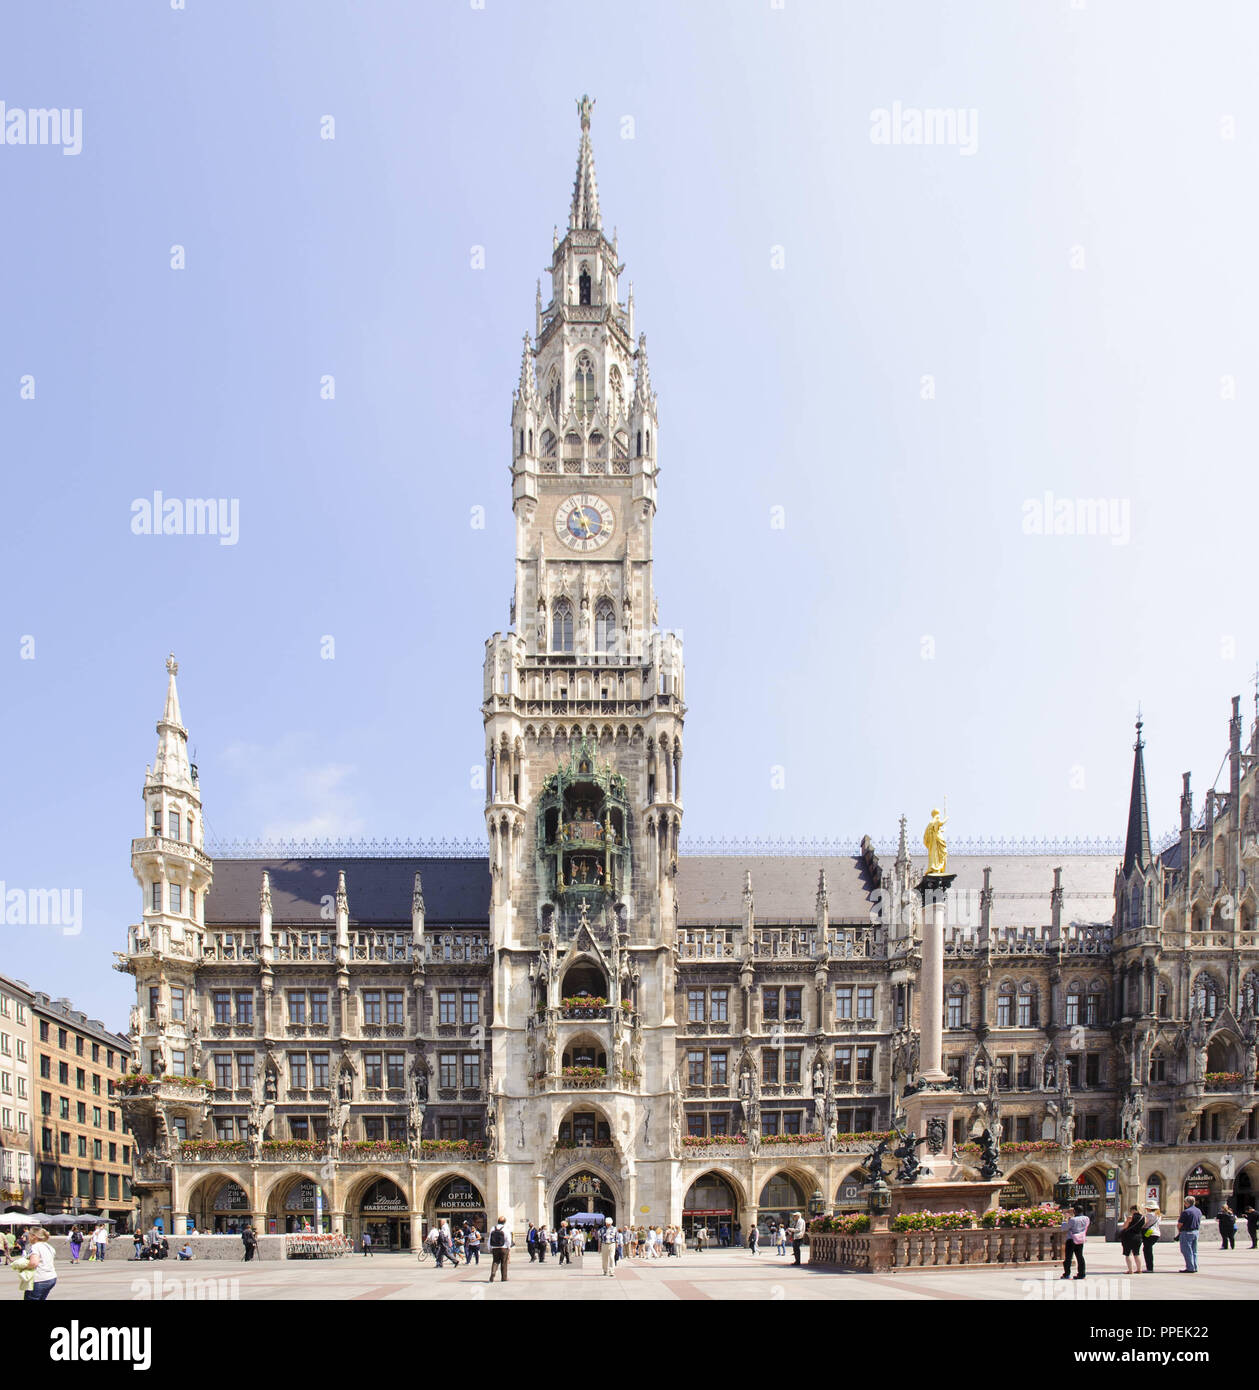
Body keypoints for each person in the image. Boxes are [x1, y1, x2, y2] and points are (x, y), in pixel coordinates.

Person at [20, 1226, 57, 1300]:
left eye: (29, 1235)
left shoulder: (35, 1247)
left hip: (39, 1278)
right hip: (51, 1277)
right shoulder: (48, 1246)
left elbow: (34, 1263)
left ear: (34, 1236)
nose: (28, 1237)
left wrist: (24, 1267)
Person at [1060, 1202, 1089, 1280]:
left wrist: (1065, 1219)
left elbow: (1065, 1227)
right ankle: (1082, 1274)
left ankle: (1067, 1274)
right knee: (1080, 1257)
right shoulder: (1086, 1218)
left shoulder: (1073, 1220)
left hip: (1071, 1239)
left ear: (1075, 1211)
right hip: (1080, 1239)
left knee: (1068, 1257)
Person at [1178, 1196, 1202, 1273]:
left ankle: (1190, 1267)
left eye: (1185, 1202)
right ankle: (1194, 1266)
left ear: (1187, 1203)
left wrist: (1179, 1231)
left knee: (1186, 1250)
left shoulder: (1186, 1212)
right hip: (1196, 1232)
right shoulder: (1198, 1211)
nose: (1184, 1204)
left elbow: (1180, 1224)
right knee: (1194, 1251)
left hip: (1186, 1232)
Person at [1120, 1205, 1144, 1274]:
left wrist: (1127, 1221)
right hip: (1138, 1237)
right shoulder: (1143, 1217)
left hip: (1129, 1237)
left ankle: (1130, 1270)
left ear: (1133, 1210)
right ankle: (1139, 1269)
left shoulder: (1130, 1217)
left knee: (1128, 1254)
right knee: (1137, 1253)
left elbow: (1125, 1227)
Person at [488, 1217, 511, 1282]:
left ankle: (493, 1272)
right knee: (504, 1263)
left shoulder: (493, 1228)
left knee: (495, 1261)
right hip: (503, 1248)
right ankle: (504, 1278)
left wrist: (489, 1248)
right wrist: (509, 1248)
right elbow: (508, 1240)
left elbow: (490, 1239)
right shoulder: (505, 1229)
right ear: (504, 1222)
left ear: (497, 1221)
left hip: (495, 1248)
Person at [1141, 1201, 1162, 1272]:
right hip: (1156, 1233)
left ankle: (1149, 1268)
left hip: (1149, 1233)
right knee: (1148, 1249)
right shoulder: (1158, 1215)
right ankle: (1150, 1267)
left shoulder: (1149, 1215)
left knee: (1147, 1250)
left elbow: (1144, 1224)